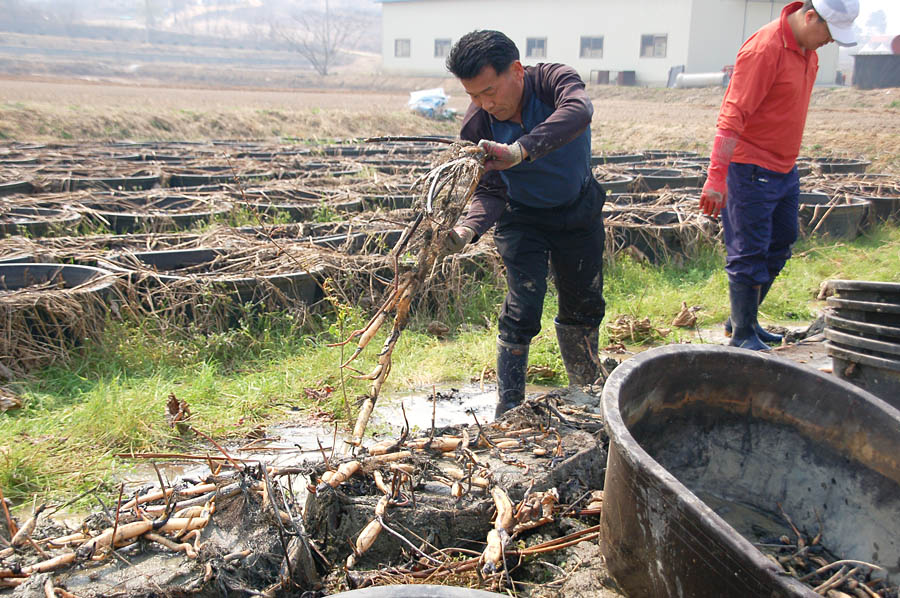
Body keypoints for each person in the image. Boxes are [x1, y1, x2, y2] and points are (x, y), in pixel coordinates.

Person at [444, 30, 606, 417]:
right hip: (523, 218)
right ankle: (510, 406)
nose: (485, 103)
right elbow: (491, 191)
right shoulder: (478, 126)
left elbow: (580, 111)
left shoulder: (552, 81)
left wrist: (521, 150)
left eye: (489, 91)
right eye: (473, 96)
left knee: (583, 304)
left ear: (516, 70)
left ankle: (584, 392)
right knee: (523, 306)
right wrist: (467, 230)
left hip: (578, 209)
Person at [699, 0, 859, 351]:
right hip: (750, 166)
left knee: (781, 242)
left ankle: (744, 320)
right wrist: (716, 177)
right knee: (749, 251)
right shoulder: (765, 48)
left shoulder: (809, 52)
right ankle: (742, 337)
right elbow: (732, 114)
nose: (830, 42)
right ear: (811, 16)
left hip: (785, 167)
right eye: (829, 33)